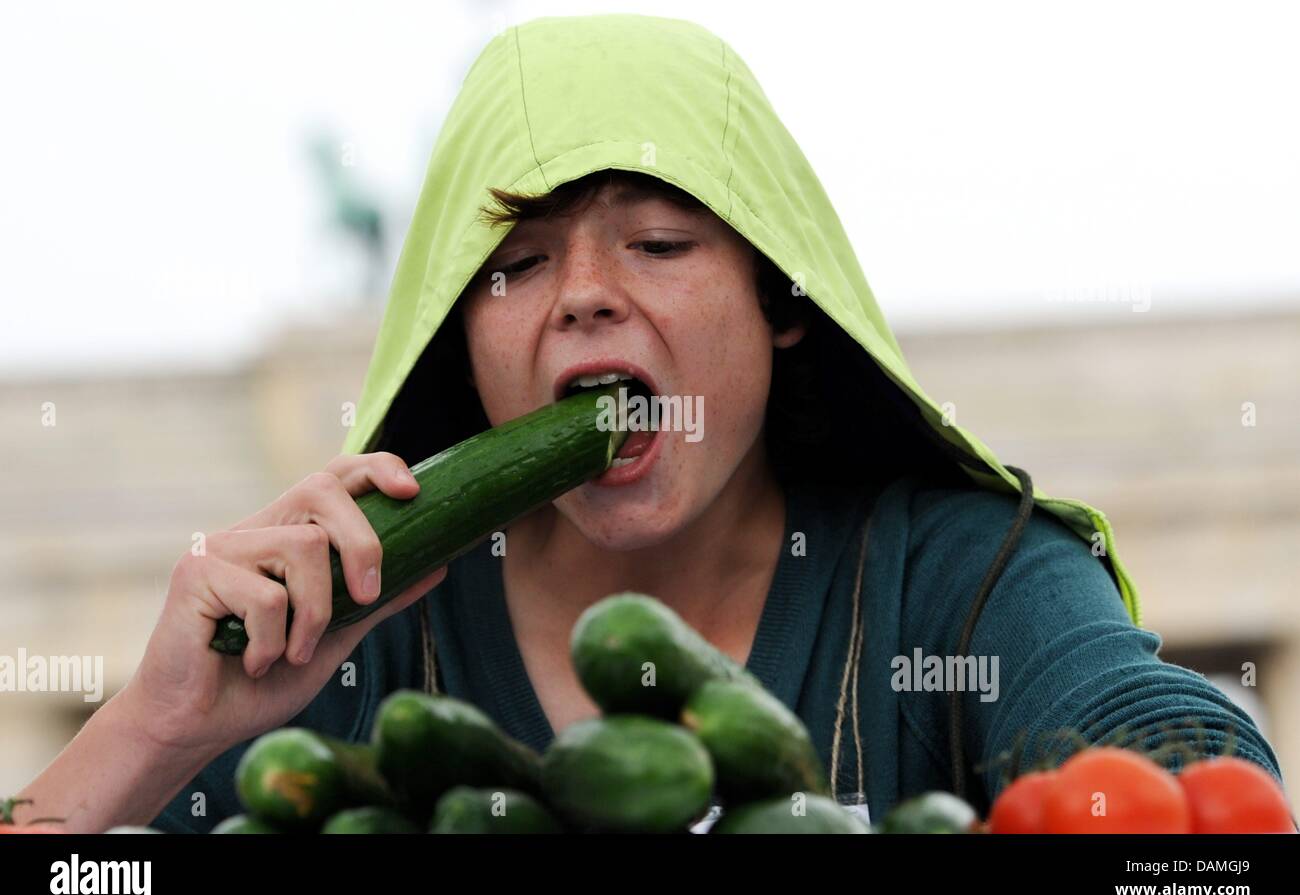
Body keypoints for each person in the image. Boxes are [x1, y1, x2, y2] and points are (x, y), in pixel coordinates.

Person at [16, 14, 1283, 833]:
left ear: (780, 303)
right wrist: (152, 731)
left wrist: (1173, 804)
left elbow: (1160, 733)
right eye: (512, 265)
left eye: (659, 242)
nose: (581, 298)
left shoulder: (960, 576)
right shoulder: (349, 644)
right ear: (459, 334)